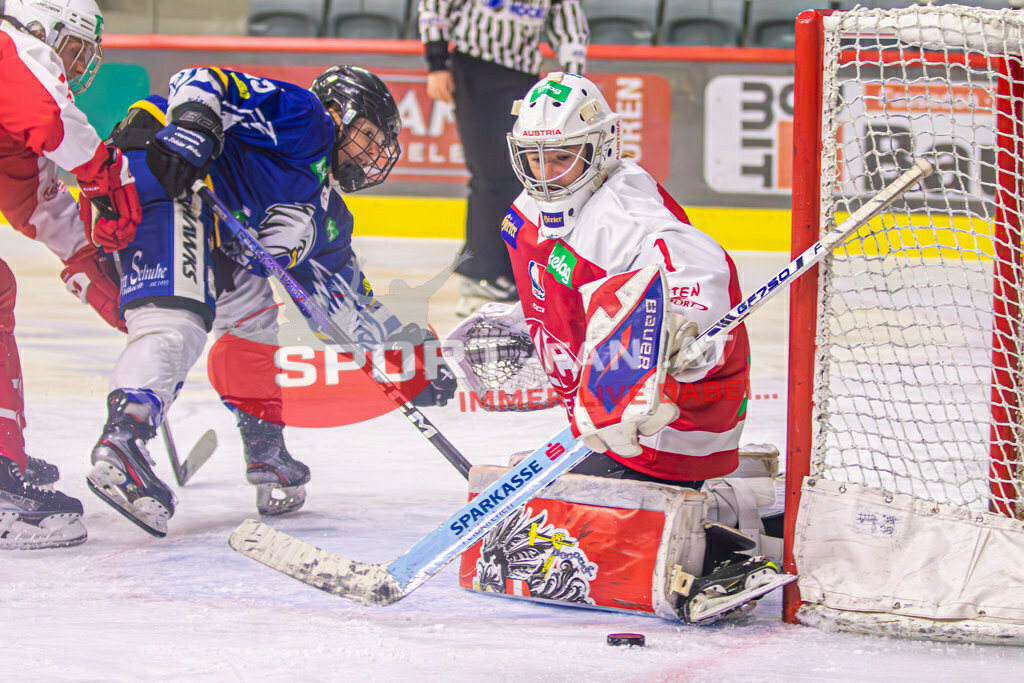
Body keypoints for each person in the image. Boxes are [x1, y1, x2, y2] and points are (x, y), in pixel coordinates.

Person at [83, 65, 456, 538]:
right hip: (163, 173)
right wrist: (194, 126)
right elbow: (201, 80)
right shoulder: (307, 119)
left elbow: (340, 311)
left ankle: (265, 446)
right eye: (368, 134)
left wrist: (407, 352)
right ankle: (124, 439)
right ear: (340, 112)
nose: (375, 152)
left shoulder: (328, 217)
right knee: (176, 320)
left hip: (215, 223)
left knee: (254, 320)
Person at [470, 72, 790, 621]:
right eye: (534, 157)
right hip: (607, 418)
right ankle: (717, 498)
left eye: (563, 156)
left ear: (602, 147)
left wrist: (687, 331)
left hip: (671, 416)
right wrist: (530, 327)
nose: (546, 174)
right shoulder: (528, 211)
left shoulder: (626, 216)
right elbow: (566, 289)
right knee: (527, 509)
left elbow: (696, 268)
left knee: (548, 531)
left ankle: (734, 525)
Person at [0, 0, 142, 549]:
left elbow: (33, 202)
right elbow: (50, 118)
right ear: (44, 27)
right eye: (76, 46)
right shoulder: (14, 48)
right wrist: (102, 170)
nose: (78, 65)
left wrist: (88, 260)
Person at [417, 0, 589, 317]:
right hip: (473, 70)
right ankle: (479, 277)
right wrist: (436, 63)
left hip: (523, 78)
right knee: (488, 174)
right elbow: (434, 7)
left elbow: (572, 31)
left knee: (523, 176)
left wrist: (573, 83)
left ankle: (513, 275)